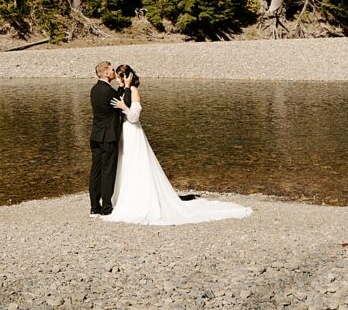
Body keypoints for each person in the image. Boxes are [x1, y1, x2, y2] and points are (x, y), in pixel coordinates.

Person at [103, 63, 253, 226]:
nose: (117, 79)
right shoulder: (122, 91)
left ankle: (140, 199)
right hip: (125, 133)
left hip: (133, 131)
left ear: (125, 77)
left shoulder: (134, 92)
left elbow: (134, 117)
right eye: (117, 76)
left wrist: (124, 107)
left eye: (119, 76)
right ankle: (124, 197)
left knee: (136, 164)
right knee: (125, 164)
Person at [88, 60, 124, 216]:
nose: (114, 72)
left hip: (95, 135)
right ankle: (106, 208)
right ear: (107, 73)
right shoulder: (109, 91)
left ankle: (94, 207)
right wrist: (125, 86)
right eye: (113, 70)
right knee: (107, 172)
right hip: (108, 137)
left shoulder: (94, 89)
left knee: (95, 171)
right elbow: (123, 105)